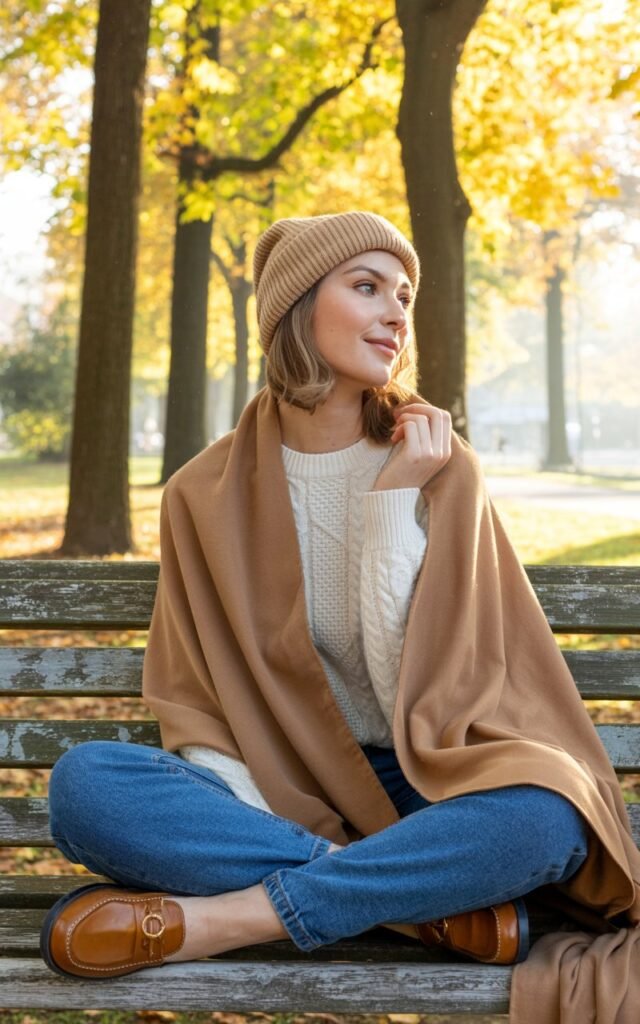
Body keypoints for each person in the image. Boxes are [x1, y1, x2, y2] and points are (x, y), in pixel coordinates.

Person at [40, 212, 638, 987]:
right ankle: (417, 904)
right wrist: (270, 818)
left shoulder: (440, 465)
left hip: (431, 779)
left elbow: (418, 699)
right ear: (296, 306)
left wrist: (392, 502)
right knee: (85, 786)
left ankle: (229, 920)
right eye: (367, 288)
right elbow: (201, 708)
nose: (396, 314)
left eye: (405, 296)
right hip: (280, 782)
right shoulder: (199, 493)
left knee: (547, 816)